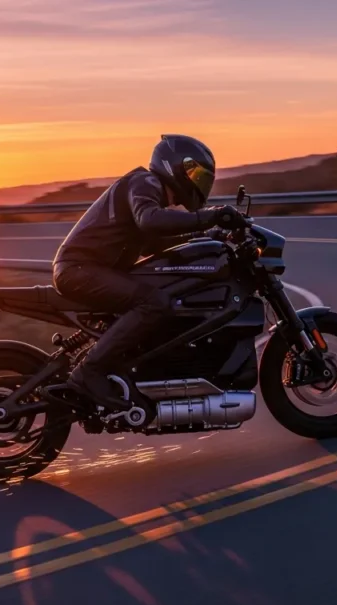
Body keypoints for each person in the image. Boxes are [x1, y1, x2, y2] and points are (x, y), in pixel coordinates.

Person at [52, 134, 247, 410]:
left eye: (203, 176)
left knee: (161, 294)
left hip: (91, 269)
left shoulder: (151, 195)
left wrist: (208, 235)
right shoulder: (144, 182)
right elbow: (150, 221)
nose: (199, 181)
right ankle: (89, 371)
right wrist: (212, 215)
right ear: (175, 165)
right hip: (79, 269)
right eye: (195, 173)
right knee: (154, 302)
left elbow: (156, 241)